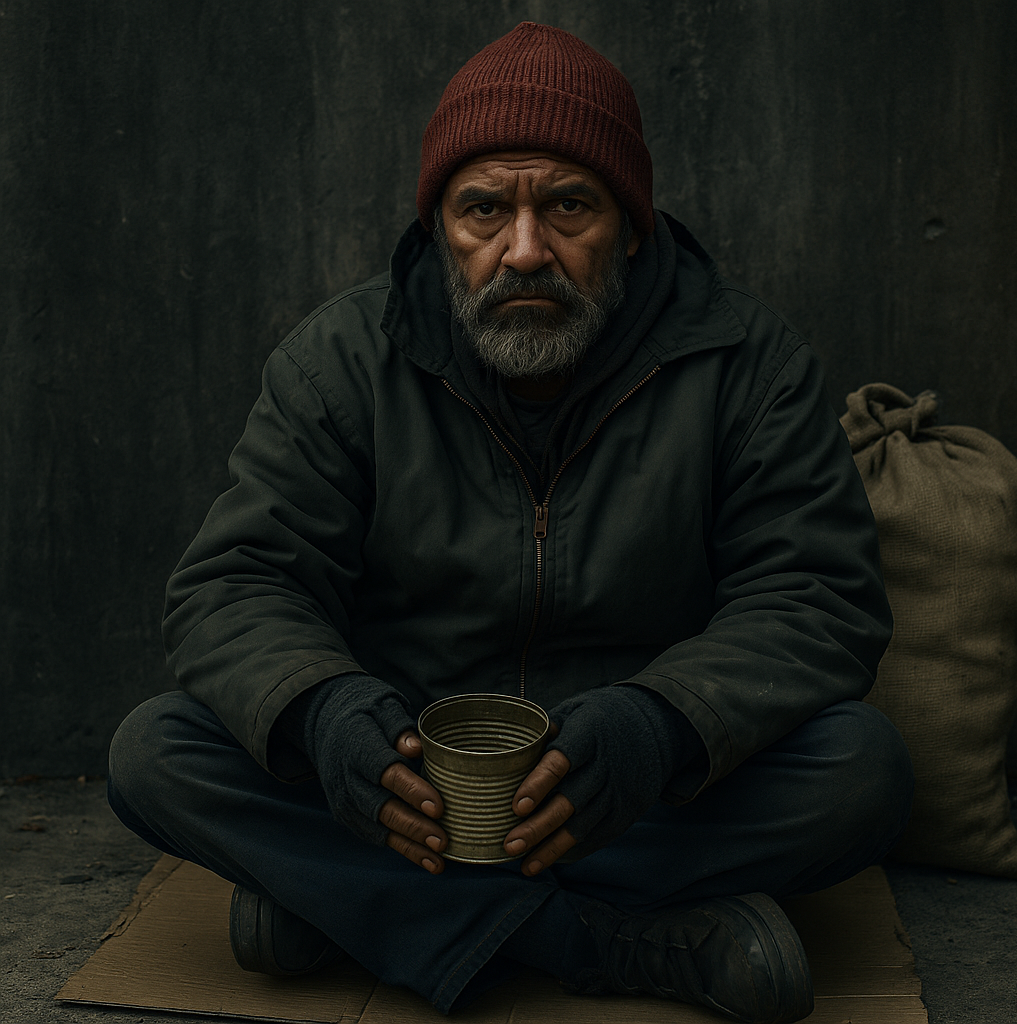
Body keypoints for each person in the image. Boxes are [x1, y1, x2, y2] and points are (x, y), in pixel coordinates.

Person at [107, 22, 913, 1024]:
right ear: (439, 222)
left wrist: (662, 721)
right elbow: (236, 582)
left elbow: (816, 592)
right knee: (157, 751)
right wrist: (324, 710)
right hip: (410, 788)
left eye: (567, 205)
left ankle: (347, 907)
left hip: (625, 787)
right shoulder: (342, 361)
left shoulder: (747, 362)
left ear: (629, 221)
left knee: (861, 772)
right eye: (483, 209)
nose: (523, 250)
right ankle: (604, 942)